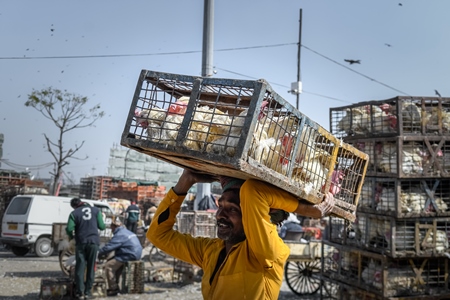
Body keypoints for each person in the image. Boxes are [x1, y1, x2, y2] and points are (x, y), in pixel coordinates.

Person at [147, 169, 335, 299]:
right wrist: (185, 181)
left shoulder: (266, 253)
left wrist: (308, 210)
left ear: (255, 215)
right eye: (221, 206)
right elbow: (158, 234)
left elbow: (253, 190)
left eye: (233, 210)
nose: (220, 215)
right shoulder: (210, 251)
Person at [66, 198, 106, 300]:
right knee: (91, 267)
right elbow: (102, 227)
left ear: (75, 206)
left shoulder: (74, 213)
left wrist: (71, 237)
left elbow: (69, 228)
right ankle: (88, 292)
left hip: (81, 242)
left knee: (80, 267)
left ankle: (80, 293)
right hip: (93, 242)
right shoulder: (96, 210)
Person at [98, 217, 143, 296]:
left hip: (129, 254)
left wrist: (99, 253)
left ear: (114, 227)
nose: (111, 230)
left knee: (108, 266)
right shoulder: (126, 232)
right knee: (116, 265)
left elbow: (109, 247)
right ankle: (115, 285)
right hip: (135, 253)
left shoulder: (119, 234)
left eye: (111, 228)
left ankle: (113, 289)